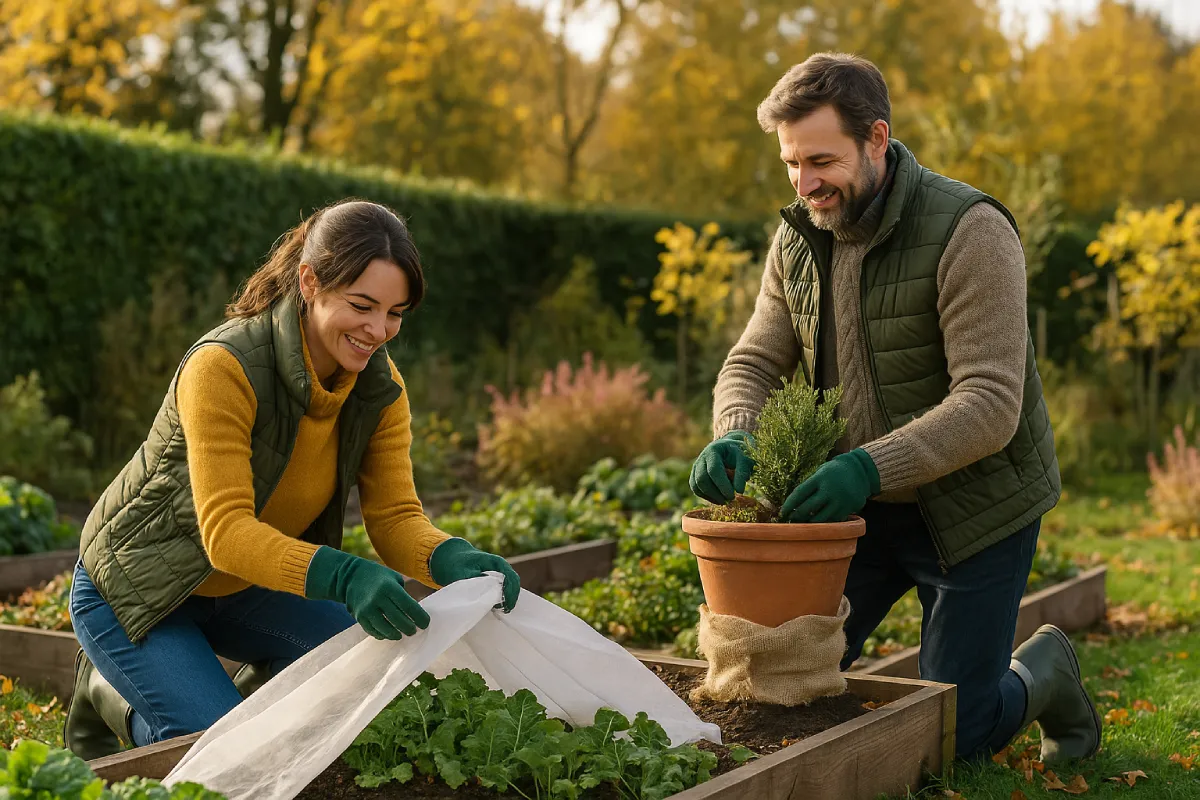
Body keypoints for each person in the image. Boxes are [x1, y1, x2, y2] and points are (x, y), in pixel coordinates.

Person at [689, 53, 1101, 762]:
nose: (804, 182)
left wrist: (866, 466)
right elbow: (753, 360)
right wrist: (735, 431)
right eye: (791, 163)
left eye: (821, 159)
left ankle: (1043, 677)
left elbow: (990, 401)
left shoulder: (969, 230)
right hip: (858, 510)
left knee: (953, 734)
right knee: (782, 675)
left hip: (974, 509)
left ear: (877, 139)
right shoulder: (798, 237)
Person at [64, 199, 521, 759]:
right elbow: (227, 532)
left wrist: (447, 557)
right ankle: (110, 691)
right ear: (309, 281)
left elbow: (395, 517)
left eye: (396, 313)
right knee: (220, 754)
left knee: (370, 682)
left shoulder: (379, 391)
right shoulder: (224, 368)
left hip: (245, 587)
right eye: (363, 305)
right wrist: (345, 576)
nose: (378, 330)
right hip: (138, 587)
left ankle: (219, 698)